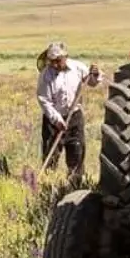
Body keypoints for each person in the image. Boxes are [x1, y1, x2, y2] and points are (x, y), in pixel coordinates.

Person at [36, 42, 103, 187]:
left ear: (65, 57)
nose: (54, 64)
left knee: (77, 151)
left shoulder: (78, 68)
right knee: (51, 154)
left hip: (75, 116)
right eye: (52, 61)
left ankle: (75, 183)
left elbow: (91, 82)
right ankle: (48, 185)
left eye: (57, 61)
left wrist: (95, 75)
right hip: (52, 120)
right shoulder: (45, 75)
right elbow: (44, 101)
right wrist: (56, 120)